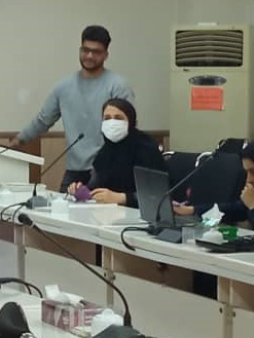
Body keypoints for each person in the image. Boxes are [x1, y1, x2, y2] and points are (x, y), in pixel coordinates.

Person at [15, 25, 134, 190]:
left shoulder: (118, 86)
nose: (89, 56)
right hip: (74, 170)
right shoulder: (64, 87)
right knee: (61, 206)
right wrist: (19, 140)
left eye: (96, 52)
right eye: (85, 50)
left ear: (106, 55)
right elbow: (43, 120)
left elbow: (128, 128)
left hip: (108, 169)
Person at [70, 98, 165, 207]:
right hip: (109, 212)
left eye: (118, 118)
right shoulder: (105, 151)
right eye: (107, 118)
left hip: (139, 214)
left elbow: (157, 196)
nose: (112, 123)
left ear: (131, 122)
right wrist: (80, 190)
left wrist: (122, 198)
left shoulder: (146, 149)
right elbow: (95, 186)